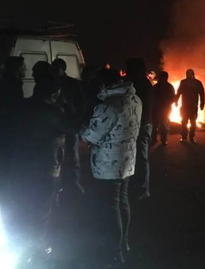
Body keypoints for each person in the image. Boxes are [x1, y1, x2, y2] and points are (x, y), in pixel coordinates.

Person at [2, 62, 73, 266]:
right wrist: (66, 105)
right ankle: (37, 253)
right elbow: (74, 127)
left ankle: (20, 246)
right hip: (45, 169)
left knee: (22, 207)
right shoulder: (54, 112)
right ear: (54, 93)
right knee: (42, 211)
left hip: (21, 167)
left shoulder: (23, 105)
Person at [80, 68, 142, 267]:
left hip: (108, 164)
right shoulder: (135, 100)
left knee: (110, 207)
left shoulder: (108, 106)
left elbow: (90, 136)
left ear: (104, 85)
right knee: (122, 202)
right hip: (128, 160)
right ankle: (123, 243)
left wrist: (82, 128)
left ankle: (114, 252)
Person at [52, 58, 85, 194]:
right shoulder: (52, 83)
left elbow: (81, 103)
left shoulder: (72, 84)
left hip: (70, 123)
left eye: (55, 69)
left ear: (61, 69)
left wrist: (77, 120)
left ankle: (74, 183)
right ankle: (60, 185)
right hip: (58, 124)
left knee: (72, 156)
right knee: (57, 156)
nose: (53, 71)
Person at [125, 58, 154, 200]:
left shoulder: (142, 84)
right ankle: (137, 184)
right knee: (134, 155)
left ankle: (143, 188)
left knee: (141, 156)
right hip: (138, 124)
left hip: (142, 125)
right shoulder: (141, 83)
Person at [175, 69, 205, 143]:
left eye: (189, 74)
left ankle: (191, 137)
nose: (188, 75)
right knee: (184, 121)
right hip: (185, 105)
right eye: (187, 74)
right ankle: (184, 137)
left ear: (193, 74)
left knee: (192, 122)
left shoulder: (197, 83)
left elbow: (202, 94)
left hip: (193, 106)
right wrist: (176, 101)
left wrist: (202, 104)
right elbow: (179, 92)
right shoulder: (184, 82)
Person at [152, 71, 175, 146]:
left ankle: (156, 139)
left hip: (159, 108)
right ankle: (161, 139)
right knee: (161, 124)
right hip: (163, 108)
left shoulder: (156, 86)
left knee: (158, 124)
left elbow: (172, 98)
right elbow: (172, 98)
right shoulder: (169, 86)